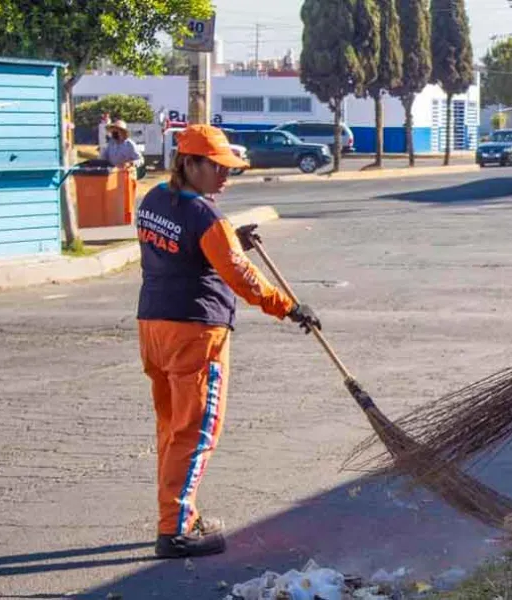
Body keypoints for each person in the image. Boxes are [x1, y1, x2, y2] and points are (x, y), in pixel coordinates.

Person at [135, 124, 322, 558]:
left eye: (229, 169)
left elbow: (179, 247)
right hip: (196, 333)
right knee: (196, 432)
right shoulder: (208, 218)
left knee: (171, 426)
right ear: (191, 163)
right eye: (217, 168)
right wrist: (290, 306)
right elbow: (243, 279)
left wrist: (224, 244)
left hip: (153, 327)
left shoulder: (154, 200)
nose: (225, 177)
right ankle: (175, 530)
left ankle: (177, 513)